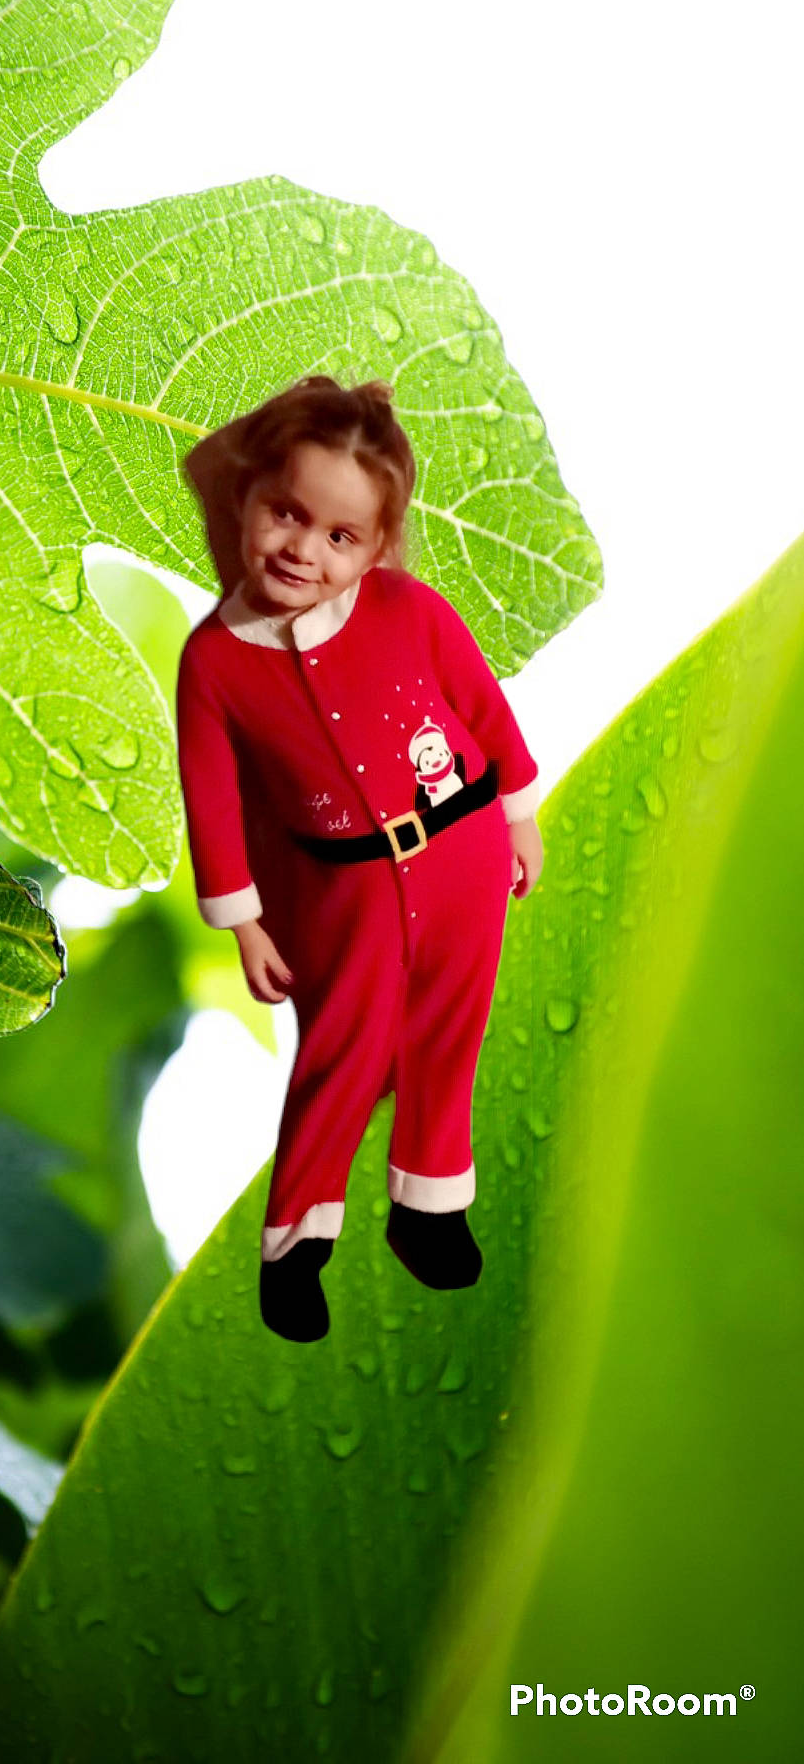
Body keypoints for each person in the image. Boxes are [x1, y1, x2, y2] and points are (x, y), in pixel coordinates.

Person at [177, 374, 544, 1343]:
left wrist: (515, 810)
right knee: (338, 1049)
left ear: (376, 545)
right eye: (287, 514)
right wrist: (243, 918)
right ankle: (295, 1245)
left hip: (461, 844)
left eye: (339, 535)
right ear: (248, 499)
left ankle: (429, 1205)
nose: (303, 547)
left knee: (446, 1030)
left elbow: (479, 703)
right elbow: (209, 795)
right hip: (342, 884)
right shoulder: (213, 661)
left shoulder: (408, 607)